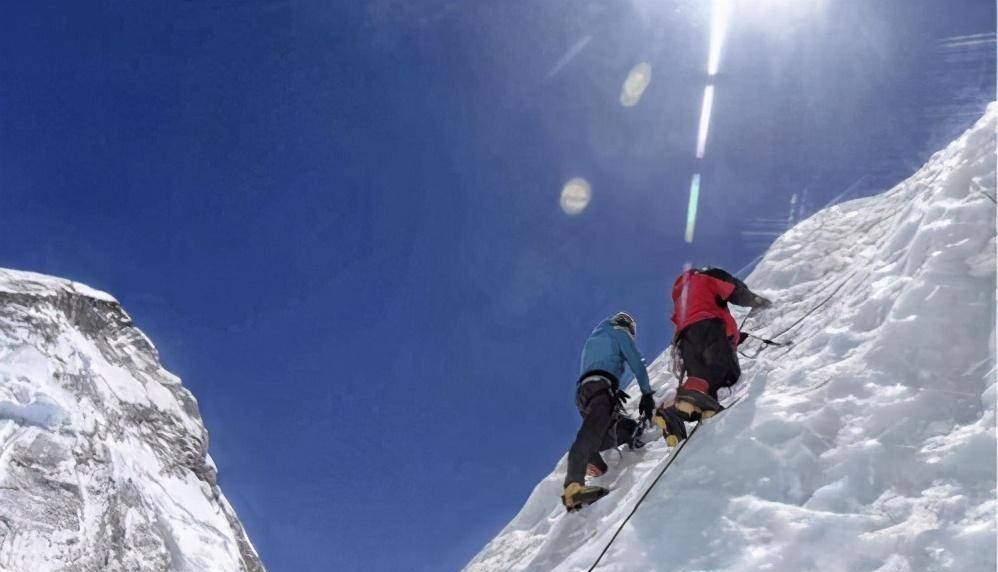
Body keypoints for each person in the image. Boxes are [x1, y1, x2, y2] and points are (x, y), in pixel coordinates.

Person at [654, 267, 771, 444]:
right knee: (728, 372)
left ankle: (678, 412)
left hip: (686, 340)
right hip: (710, 325)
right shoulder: (706, 276)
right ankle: (694, 407)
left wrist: (733, 339)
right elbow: (733, 289)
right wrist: (757, 301)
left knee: (703, 381)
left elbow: (690, 322)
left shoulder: (681, 297)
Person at [561, 312, 656, 512]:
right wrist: (647, 394)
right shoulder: (618, 332)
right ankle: (573, 484)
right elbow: (636, 362)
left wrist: (611, 389)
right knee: (593, 429)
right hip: (600, 387)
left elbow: (599, 364)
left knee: (615, 428)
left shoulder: (595, 338)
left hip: (588, 391)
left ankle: (594, 458)